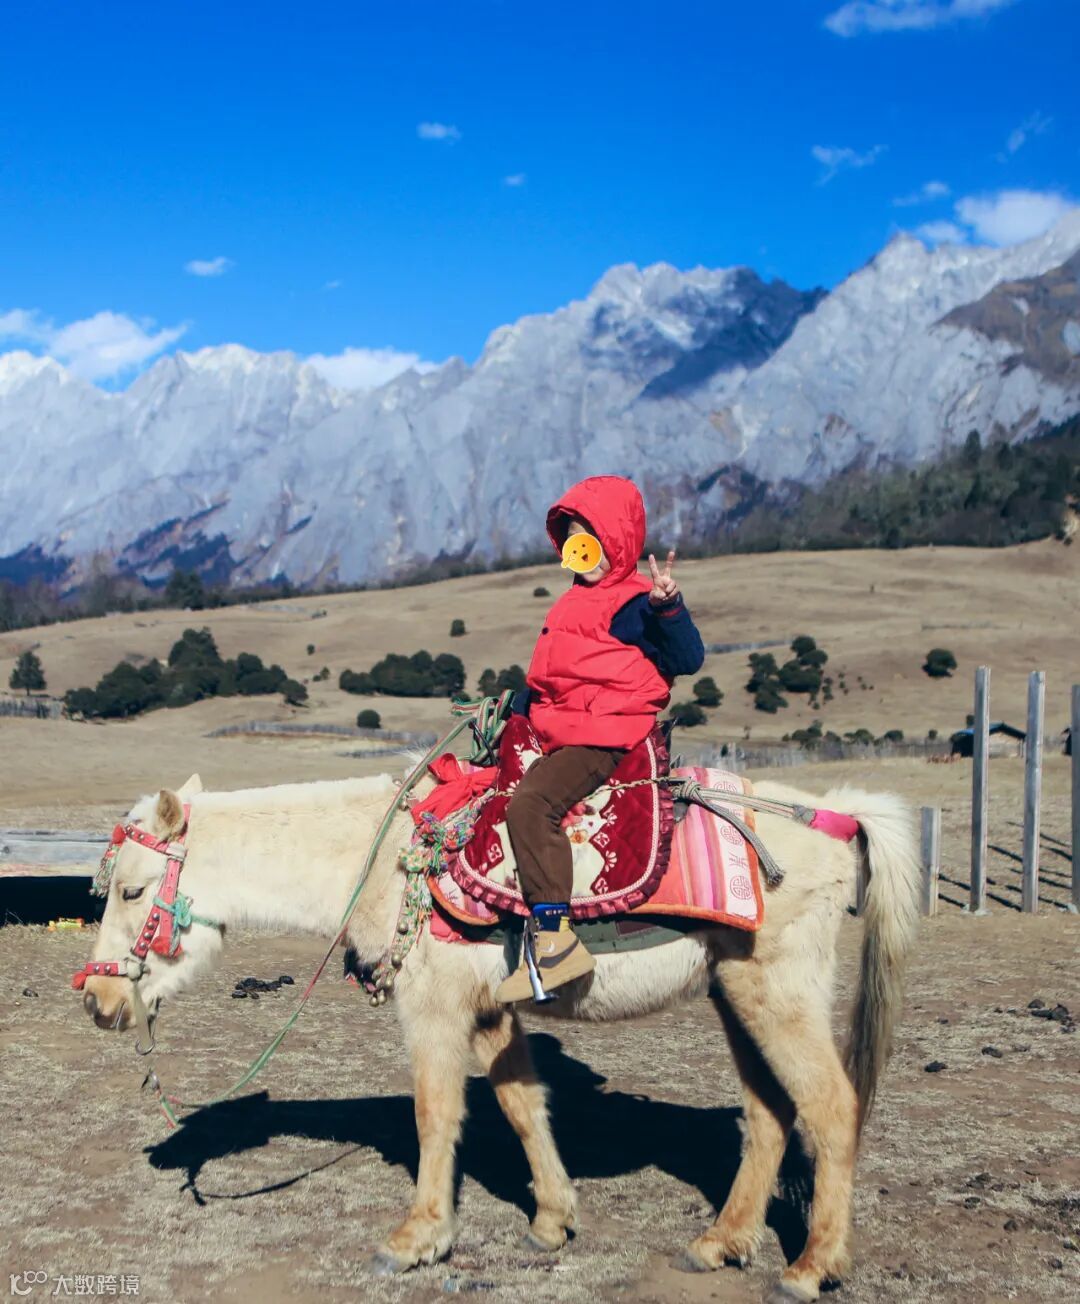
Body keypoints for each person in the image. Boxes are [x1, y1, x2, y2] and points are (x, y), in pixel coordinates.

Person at [494, 475, 705, 1004]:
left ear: (618, 542)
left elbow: (687, 658)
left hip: (604, 734)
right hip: (568, 726)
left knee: (531, 805)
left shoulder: (633, 605)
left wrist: (668, 607)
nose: (580, 553)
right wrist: (516, 706)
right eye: (572, 543)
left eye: (591, 541)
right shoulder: (574, 601)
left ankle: (555, 943)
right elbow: (564, 678)